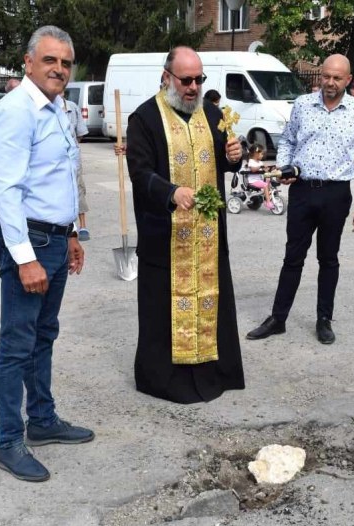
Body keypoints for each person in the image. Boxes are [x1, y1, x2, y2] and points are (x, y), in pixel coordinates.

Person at [0, 25, 93, 483]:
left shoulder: (57, 109)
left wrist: (71, 232)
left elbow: (59, 178)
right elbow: (6, 190)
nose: (60, 70)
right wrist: (25, 257)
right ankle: (10, 440)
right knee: (16, 344)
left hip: (54, 237)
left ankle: (43, 420)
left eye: (66, 63)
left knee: (44, 333)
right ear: (28, 62)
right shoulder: (16, 112)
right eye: (50, 60)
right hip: (28, 241)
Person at [125, 46, 245, 404]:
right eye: (186, 80)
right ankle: (167, 381)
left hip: (207, 235)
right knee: (165, 309)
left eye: (199, 79)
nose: (193, 87)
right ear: (167, 78)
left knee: (210, 302)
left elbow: (224, 164)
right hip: (166, 236)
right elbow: (140, 172)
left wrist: (232, 158)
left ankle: (212, 373)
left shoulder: (211, 113)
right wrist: (172, 192)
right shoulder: (144, 119)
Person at [246, 54, 354, 345]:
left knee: (328, 259)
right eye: (326, 76)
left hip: (336, 194)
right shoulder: (303, 105)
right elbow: (288, 141)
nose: (330, 83)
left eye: (337, 78)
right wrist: (283, 170)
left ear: (348, 79)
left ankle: (324, 319)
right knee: (293, 256)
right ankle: (278, 318)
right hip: (303, 191)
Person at [64, 98, 91, 240]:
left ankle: (83, 226)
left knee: (79, 189)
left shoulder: (72, 107)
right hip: (57, 158)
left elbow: (79, 133)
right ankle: (69, 225)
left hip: (73, 156)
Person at [244, 143, 275, 210]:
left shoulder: (260, 162)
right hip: (253, 181)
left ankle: (267, 196)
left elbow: (264, 169)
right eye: (261, 154)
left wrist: (268, 168)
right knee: (265, 185)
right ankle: (268, 202)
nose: (262, 155)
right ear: (256, 154)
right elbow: (253, 169)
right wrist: (260, 167)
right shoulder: (251, 161)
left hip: (259, 180)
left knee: (269, 180)